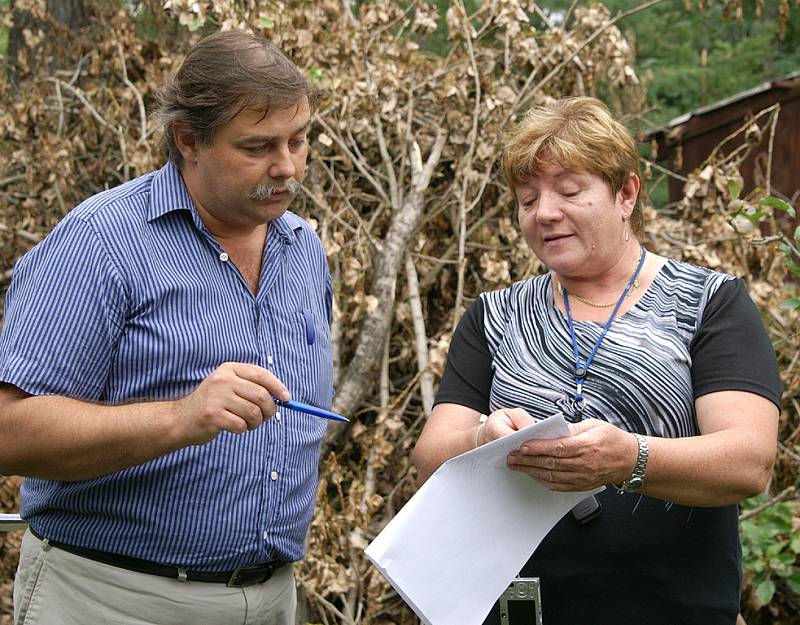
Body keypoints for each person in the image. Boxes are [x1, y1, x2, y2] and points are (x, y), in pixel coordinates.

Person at [0, 31, 333, 625]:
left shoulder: (301, 248)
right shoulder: (101, 243)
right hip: (110, 600)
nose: (287, 166)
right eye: (258, 147)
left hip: (272, 598)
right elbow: (8, 431)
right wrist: (180, 418)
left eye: (299, 140)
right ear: (188, 141)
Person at [412, 97, 782, 625]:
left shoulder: (709, 303)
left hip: (670, 608)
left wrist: (631, 459)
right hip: (520, 608)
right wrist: (484, 441)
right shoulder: (494, 315)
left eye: (569, 191)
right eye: (526, 199)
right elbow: (431, 456)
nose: (544, 213)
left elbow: (749, 461)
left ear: (626, 193)